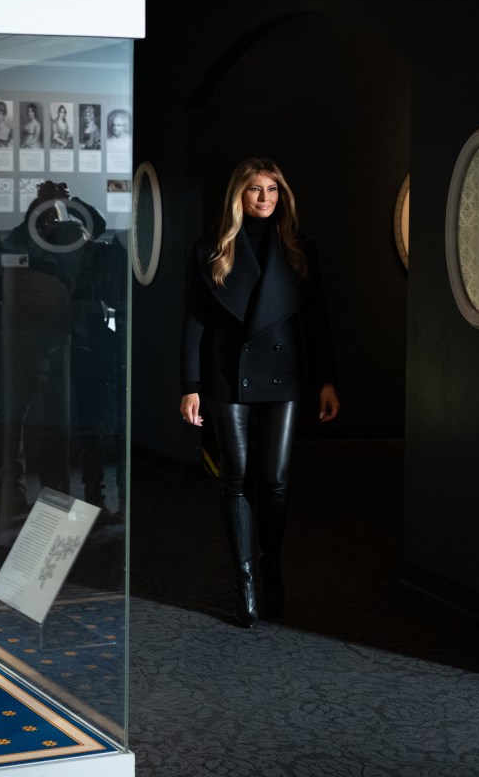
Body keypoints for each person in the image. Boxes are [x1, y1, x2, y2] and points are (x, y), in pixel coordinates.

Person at [180, 157, 340, 628]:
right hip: (226, 374)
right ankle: (245, 577)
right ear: (239, 195)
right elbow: (194, 318)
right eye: (256, 189)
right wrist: (189, 385)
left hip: (284, 374)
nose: (266, 197)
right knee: (237, 476)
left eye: (273, 189)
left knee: (275, 479)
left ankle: (270, 562)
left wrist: (326, 380)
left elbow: (318, 321)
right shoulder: (211, 248)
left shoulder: (299, 248)